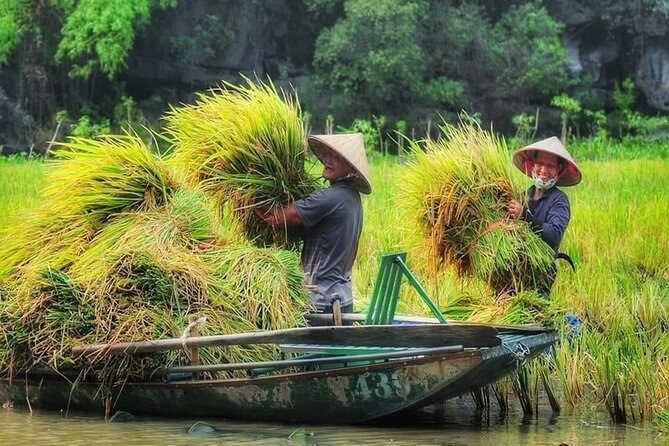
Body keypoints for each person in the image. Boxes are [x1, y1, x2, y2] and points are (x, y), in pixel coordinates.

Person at [255, 133, 371, 313]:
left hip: (321, 301)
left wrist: (247, 193)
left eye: (338, 158)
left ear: (350, 169)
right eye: (328, 154)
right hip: (342, 299)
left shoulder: (329, 198)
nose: (328, 160)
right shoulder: (352, 198)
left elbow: (274, 218)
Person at [508, 136, 581, 296]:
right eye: (540, 163)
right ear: (532, 165)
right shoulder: (524, 195)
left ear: (559, 170)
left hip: (540, 272)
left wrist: (525, 216)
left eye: (550, 166)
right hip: (515, 268)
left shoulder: (559, 200)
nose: (543, 170)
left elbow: (554, 235)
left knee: (534, 314)